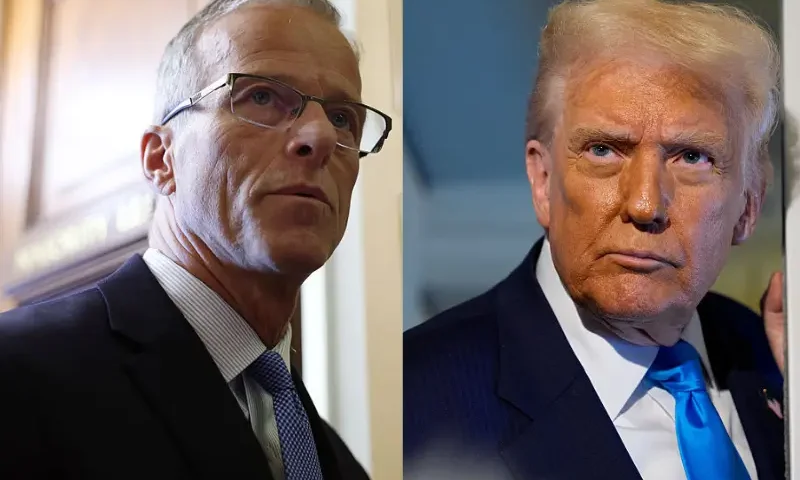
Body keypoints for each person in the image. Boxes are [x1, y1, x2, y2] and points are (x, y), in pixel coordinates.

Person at [0, 0, 391, 479]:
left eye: (342, 118)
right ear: (160, 159)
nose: (321, 136)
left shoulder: (342, 466)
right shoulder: (17, 373)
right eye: (261, 96)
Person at [404, 0, 785, 479]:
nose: (644, 204)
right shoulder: (415, 398)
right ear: (543, 181)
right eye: (604, 150)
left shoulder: (775, 363)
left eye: (692, 157)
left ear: (748, 205)